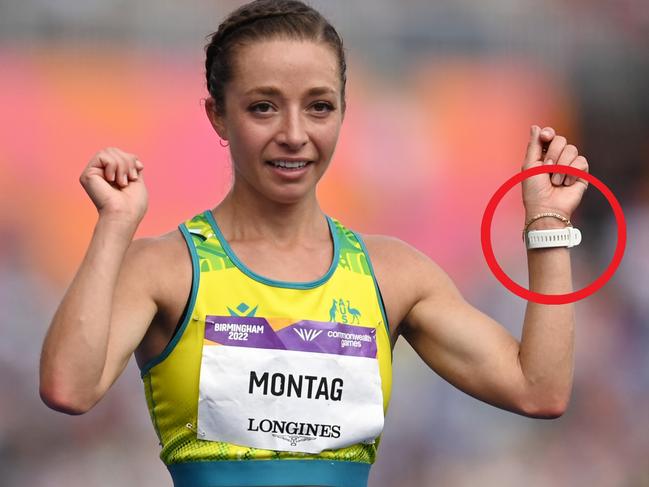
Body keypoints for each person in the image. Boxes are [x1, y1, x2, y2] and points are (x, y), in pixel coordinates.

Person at [39, 1, 590, 486]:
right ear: (217, 116)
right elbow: (68, 388)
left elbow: (538, 390)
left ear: (344, 112)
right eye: (263, 106)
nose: (295, 134)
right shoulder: (165, 267)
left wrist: (547, 225)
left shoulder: (395, 275)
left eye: (319, 106)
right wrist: (114, 225)